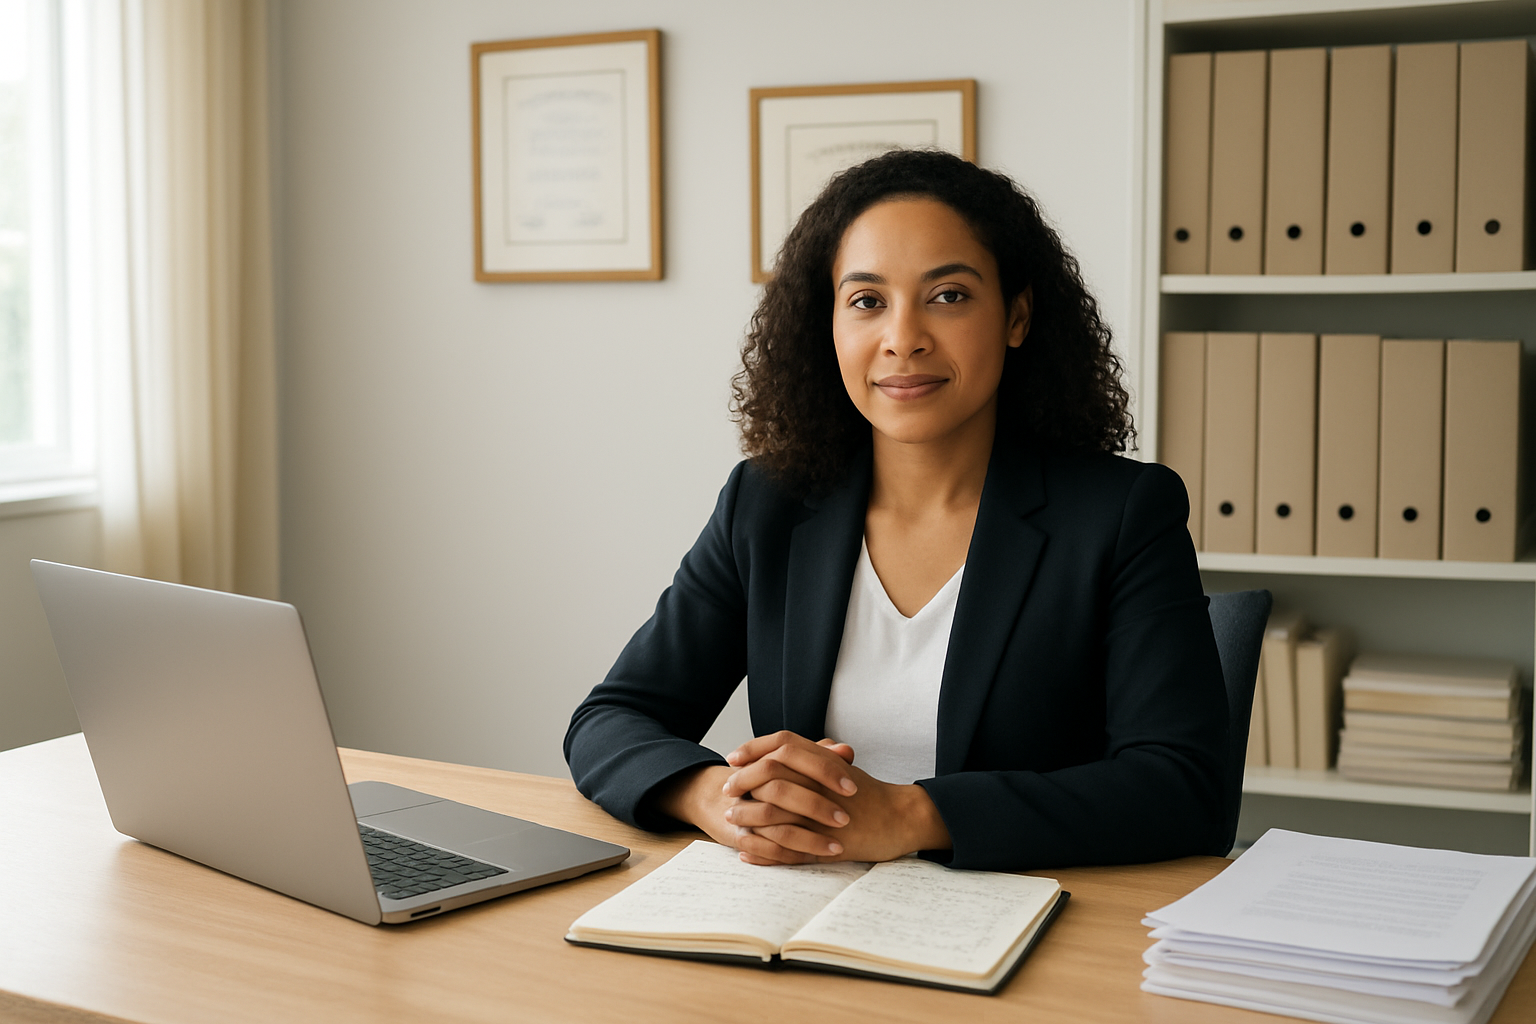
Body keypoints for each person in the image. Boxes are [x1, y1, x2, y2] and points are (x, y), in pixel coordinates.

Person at [564, 149, 1228, 872]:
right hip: (801, 916)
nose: (902, 337)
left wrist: (914, 814)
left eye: (948, 295)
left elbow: (1183, 787)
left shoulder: (1122, 514)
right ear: (831, 326)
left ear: (1017, 315)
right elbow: (611, 719)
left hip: (1028, 925)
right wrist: (715, 796)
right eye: (867, 300)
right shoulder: (768, 505)